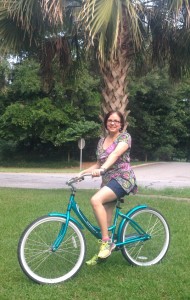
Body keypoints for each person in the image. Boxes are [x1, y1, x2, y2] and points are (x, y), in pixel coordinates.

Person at [79, 110, 137, 266]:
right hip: (107, 182)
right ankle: (103, 251)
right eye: (110, 120)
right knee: (106, 222)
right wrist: (82, 173)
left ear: (121, 124)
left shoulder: (125, 137)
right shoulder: (101, 141)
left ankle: (106, 243)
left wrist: (103, 168)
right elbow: (97, 164)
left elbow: (116, 154)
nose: (112, 123)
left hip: (122, 178)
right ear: (105, 122)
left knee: (95, 200)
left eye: (116, 121)